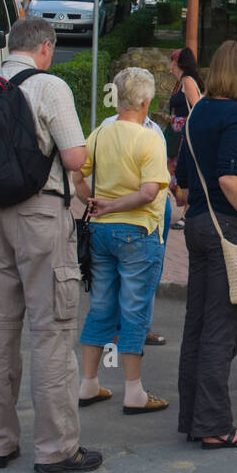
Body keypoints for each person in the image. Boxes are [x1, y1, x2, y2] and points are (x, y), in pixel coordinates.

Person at [0, 17, 100, 473]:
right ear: (44, 47)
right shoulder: (50, 87)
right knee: (51, 333)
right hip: (40, 217)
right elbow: (76, 157)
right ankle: (56, 448)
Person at [175, 40, 237, 449]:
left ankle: (193, 417)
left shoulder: (198, 113)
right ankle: (213, 424)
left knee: (198, 324)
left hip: (196, 223)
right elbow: (229, 179)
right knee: (221, 329)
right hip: (225, 226)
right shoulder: (235, 115)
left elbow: (186, 182)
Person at [72, 67, 171, 415]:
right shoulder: (149, 140)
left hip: (100, 232)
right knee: (135, 310)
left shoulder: (100, 133)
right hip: (139, 231)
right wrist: (115, 204)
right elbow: (149, 193)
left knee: (100, 306)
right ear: (145, 100)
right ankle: (133, 391)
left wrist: (94, 203)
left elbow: (77, 176)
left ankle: (87, 383)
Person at [101, 107, 170, 346]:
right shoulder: (108, 127)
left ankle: (141, 328)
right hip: (125, 210)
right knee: (122, 273)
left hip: (156, 209)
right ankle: (121, 331)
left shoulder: (154, 129)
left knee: (150, 271)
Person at [166, 47, 204, 231]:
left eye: (171, 60)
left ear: (177, 62)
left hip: (185, 133)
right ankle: (187, 206)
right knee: (170, 169)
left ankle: (187, 212)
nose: (169, 64)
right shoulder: (179, 82)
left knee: (182, 171)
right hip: (176, 132)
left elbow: (197, 107)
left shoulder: (187, 82)